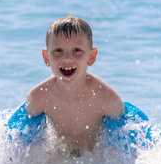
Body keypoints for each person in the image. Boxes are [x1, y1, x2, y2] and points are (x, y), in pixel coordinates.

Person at [23, 15, 125, 154]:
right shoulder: (39, 96)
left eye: (76, 50)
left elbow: (127, 136)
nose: (67, 58)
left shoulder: (106, 98)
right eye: (58, 50)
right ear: (47, 57)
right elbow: (20, 137)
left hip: (94, 157)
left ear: (91, 56)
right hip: (60, 155)